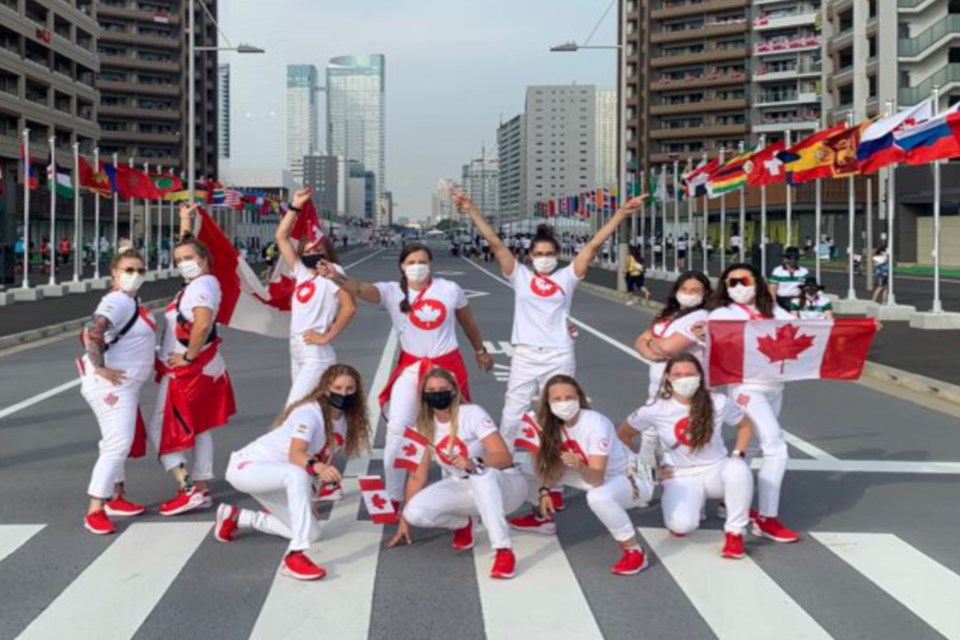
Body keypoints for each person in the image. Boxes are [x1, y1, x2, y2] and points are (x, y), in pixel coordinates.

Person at [455, 190, 647, 506]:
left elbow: (594, 244)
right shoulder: (519, 276)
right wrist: (472, 208)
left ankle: (552, 479)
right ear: (529, 255)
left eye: (549, 253)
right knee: (513, 412)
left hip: (559, 353)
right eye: (539, 253)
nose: (544, 257)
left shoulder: (567, 277)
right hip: (526, 353)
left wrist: (621, 214)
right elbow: (496, 244)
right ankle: (501, 468)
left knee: (556, 415)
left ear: (558, 255)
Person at [318, 243, 493, 505]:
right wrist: (337, 277)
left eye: (422, 261)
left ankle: (458, 494)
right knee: (398, 428)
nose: (417, 266)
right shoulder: (391, 291)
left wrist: (480, 350)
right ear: (402, 266)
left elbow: (467, 321)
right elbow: (362, 289)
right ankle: (394, 494)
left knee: (453, 430)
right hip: (411, 368)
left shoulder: (449, 289)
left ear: (431, 264)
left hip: (446, 369)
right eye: (411, 262)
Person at [217, 364, 371, 580]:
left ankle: (237, 516)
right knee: (296, 474)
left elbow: (320, 459)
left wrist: (311, 502)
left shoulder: (342, 421)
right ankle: (294, 556)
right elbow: (297, 455)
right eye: (337, 387)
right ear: (325, 388)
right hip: (248, 468)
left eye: (349, 389)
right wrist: (319, 468)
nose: (343, 394)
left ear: (357, 391)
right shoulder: (309, 413)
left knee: (312, 532)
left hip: (277, 477)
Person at [509, 375, 655, 576]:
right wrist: (545, 491)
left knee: (598, 497)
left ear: (579, 398)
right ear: (547, 403)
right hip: (598, 473)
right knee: (526, 468)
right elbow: (553, 466)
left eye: (568, 397)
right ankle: (542, 519)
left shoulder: (595, 424)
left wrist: (578, 465)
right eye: (557, 399)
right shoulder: (552, 425)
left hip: (635, 476)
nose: (563, 403)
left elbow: (596, 479)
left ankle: (635, 551)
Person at [387, 369, 525, 579]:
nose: (437, 394)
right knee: (415, 512)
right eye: (431, 390)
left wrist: (475, 462)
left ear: (454, 390)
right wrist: (404, 520)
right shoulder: (422, 426)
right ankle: (464, 522)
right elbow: (417, 476)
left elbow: (503, 457)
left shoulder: (472, 413)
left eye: (443, 389)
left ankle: (503, 550)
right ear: (423, 394)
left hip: (504, 485)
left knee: (481, 476)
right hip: (464, 486)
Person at [618, 354, 754, 558]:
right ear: (668, 378)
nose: (684, 378)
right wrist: (645, 471)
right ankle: (691, 504)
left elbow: (745, 425)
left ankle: (734, 534)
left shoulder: (718, 402)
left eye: (690, 374)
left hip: (716, 469)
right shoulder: (655, 409)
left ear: (700, 376)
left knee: (738, 469)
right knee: (682, 526)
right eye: (678, 374)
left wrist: (738, 453)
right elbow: (623, 435)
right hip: (680, 475)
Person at [148, 204, 237, 516]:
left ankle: (188, 489)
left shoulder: (201, 285)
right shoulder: (199, 283)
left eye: (189, 259)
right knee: (200, 429)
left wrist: (188, 356)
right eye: (179, 261)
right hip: (200, 367)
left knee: (161, 428)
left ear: (204, 259)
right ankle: (200, 488)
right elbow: (188, 245)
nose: (184, 264)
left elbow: (201, 323)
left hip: (188, 370)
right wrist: (185, 221)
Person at [706, 263, 799, 543]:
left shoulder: (772, 310)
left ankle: (729, 496)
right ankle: (767, 517)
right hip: (746, 388)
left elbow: (804, 328)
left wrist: (863, 327)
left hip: (775, 386)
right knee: (776, 447)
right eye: (731, 283)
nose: (737, 287)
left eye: (743, 281)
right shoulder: (723, 314)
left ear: (756, 282)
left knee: (755, 446)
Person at [79, 249, 156, 535]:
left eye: (139, 270)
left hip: (125, 384)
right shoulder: (116, 300)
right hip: (112, 386)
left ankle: (116, 497)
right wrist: (100, 367)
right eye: (128, 269)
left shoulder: (130, 301)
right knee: (117, 444)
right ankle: (95, 508)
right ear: (114, 272)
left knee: (114, 440)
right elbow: (93, 331)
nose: (134, 275)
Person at [276, 188, 357, 406]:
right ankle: (332, 439)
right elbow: (281, 238)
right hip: (296, 347)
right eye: (307, 251)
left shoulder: (333, 272)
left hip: (316, 352)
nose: (312, 254)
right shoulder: (302, 273)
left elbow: (349, 307)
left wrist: (327, 337)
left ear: (326, 250)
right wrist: (295, 207)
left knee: (293, 408)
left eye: (317, 249)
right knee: (310, 409)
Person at [634, 271, 711, 400]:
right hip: (659, 388)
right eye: (684, 289)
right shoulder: (670, 313)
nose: (688, 293)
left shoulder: (701, 316)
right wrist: (649, 350)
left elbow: (668, 348)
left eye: (695, 290)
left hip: (685, 391)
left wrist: (650, 342)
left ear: (705, 294)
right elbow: (640, 340)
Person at [768, 246, 809, 311]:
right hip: (781, 300)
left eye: (796, 258)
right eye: (790, 258)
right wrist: (775, 304)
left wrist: (804, 303)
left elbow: (805, 290)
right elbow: (772, 290)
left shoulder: (804, 271)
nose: (793, 260)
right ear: (785, 259)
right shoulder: (777, 271)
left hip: (797, 300)